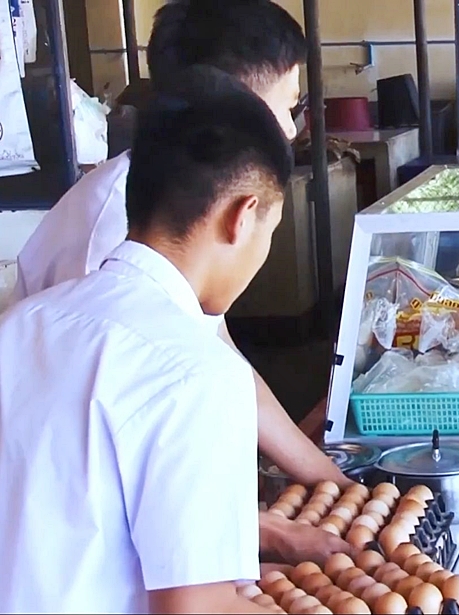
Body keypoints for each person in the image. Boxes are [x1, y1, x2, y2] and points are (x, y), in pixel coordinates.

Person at [12, 0, 352, 563]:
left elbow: (220, 360)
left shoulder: (169, 211)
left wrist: (327, 478)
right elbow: (93, 469)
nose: (291, 128)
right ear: (230, 98)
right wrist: (260, 531)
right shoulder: (115, 231)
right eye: (288, 104)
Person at [0, 68, 297, 613]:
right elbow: (197, 608)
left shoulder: (21, 324)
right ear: (242, 216)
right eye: (271, 232)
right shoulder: (199, 374)